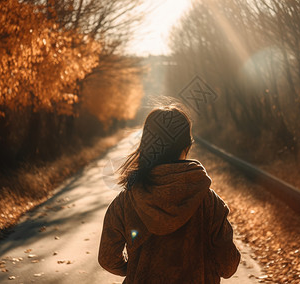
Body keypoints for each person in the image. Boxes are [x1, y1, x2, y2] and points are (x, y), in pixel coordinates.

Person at [98, 105, 240, 283]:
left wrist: (135, 269)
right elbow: (228, 266)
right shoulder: (209, 202)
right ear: (186, 147)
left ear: (146, 146)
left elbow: (107, 258)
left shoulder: (127, 200)